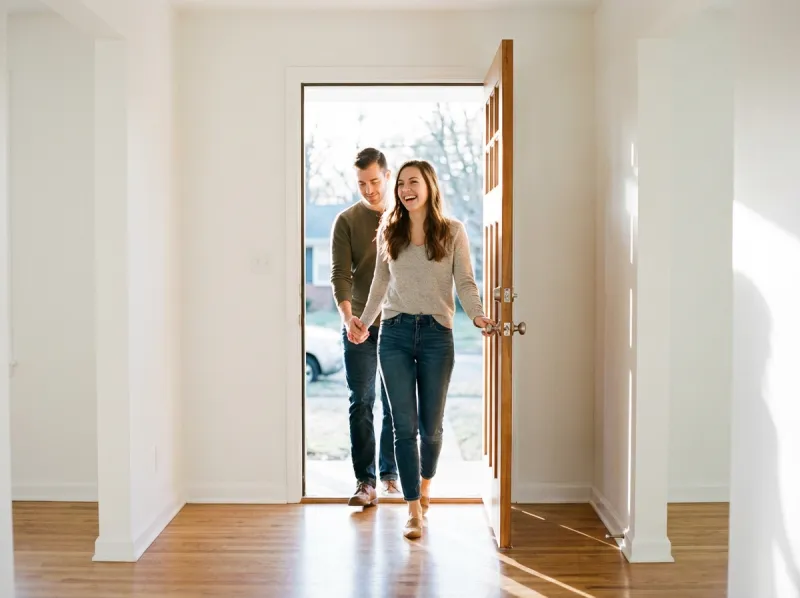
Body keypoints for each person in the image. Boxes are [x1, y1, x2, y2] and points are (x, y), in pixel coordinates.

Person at [351, 159, 494, 539]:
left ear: (429, 186)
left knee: (431, 429)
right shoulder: (389, 229)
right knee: (404, 427)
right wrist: (364, 322)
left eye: (412, 182)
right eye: (400, 183)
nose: (404, 189)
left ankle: (426, 485)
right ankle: (413, 510)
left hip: (436, 334)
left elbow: (464, 282)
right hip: (394, 335)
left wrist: (478, 316)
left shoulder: (452, 231)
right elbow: (380, 285)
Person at [330, 148, 400, 507]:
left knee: (395, 402)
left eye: (374, 181)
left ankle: (391, 474)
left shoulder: (406, 217)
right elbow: (340, 275)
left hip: (400, 322)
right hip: (359, 323)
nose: (369, 189)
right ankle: (365, 482)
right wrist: (348, 319)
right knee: (362, 401)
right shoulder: (346, 221)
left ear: (388, 176)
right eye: (361, 183)